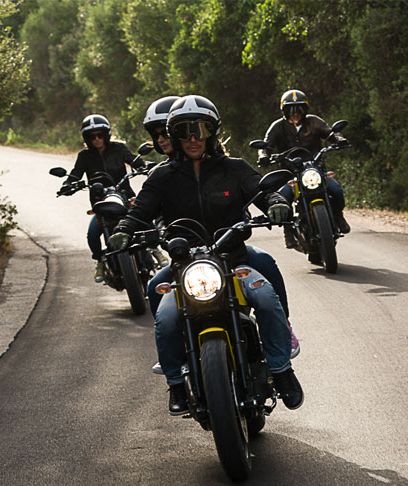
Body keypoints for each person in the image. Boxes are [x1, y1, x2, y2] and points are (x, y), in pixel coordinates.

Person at [109, 95, 304, 416]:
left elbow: (260, 190)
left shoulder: (235, 168)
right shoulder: (161, 176)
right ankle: (176, 382)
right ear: (173, 136)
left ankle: (281, 370)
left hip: (234, 263)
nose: (193, 138)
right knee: (166, 315)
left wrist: (275, 203)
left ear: (212, 132)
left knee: (267, 299)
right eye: (184, 131)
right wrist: (124, 230)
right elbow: (140, 210)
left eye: (200, 129)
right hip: (184, 267)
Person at [257, 89, 351, 250]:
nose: (295, 113)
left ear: (305, 109)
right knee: (282, 198)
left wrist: (339, 139)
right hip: (290, 173)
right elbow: (266, 145)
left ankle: (338, 216)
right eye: (291, 110)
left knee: (336, 189)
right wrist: (263, 155)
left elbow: (330, 133)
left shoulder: (314, 121)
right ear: (284, 111)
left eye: (299, 109)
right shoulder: (278, 127)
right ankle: (288, 231)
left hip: (315, 170)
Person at [63, 114, 148, 282]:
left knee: (145, 219)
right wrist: (68, 184)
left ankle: (153, 250)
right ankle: (100, 261)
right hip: (101, 203)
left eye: (100, 135)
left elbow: (132, 159)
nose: (96, 139)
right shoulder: (84, 156)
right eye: (92, 136)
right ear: (87, 138)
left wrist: (142, 166)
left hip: (125, 198)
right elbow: (76, 174)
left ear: (106, 135)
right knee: (92, 234)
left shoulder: (119, 149)